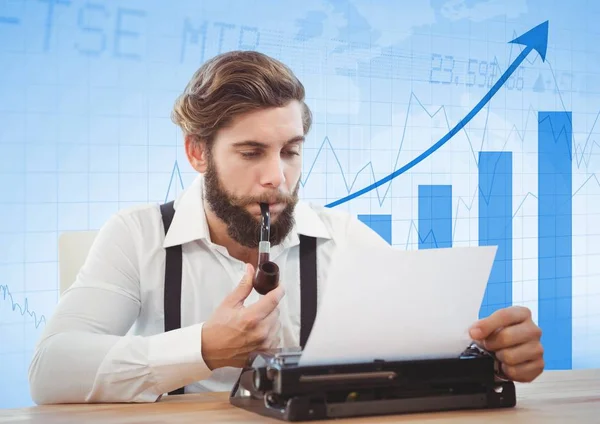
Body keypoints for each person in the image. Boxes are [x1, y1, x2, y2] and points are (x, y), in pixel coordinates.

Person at [28, 50, 544, 404]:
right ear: (195, 152)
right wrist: (202, 349)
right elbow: (50, 371)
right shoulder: (136, 235)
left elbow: (436, 349)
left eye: (291, 152)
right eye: (251, 152)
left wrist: (496, 357)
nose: (277, 176)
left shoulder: (345, 240)